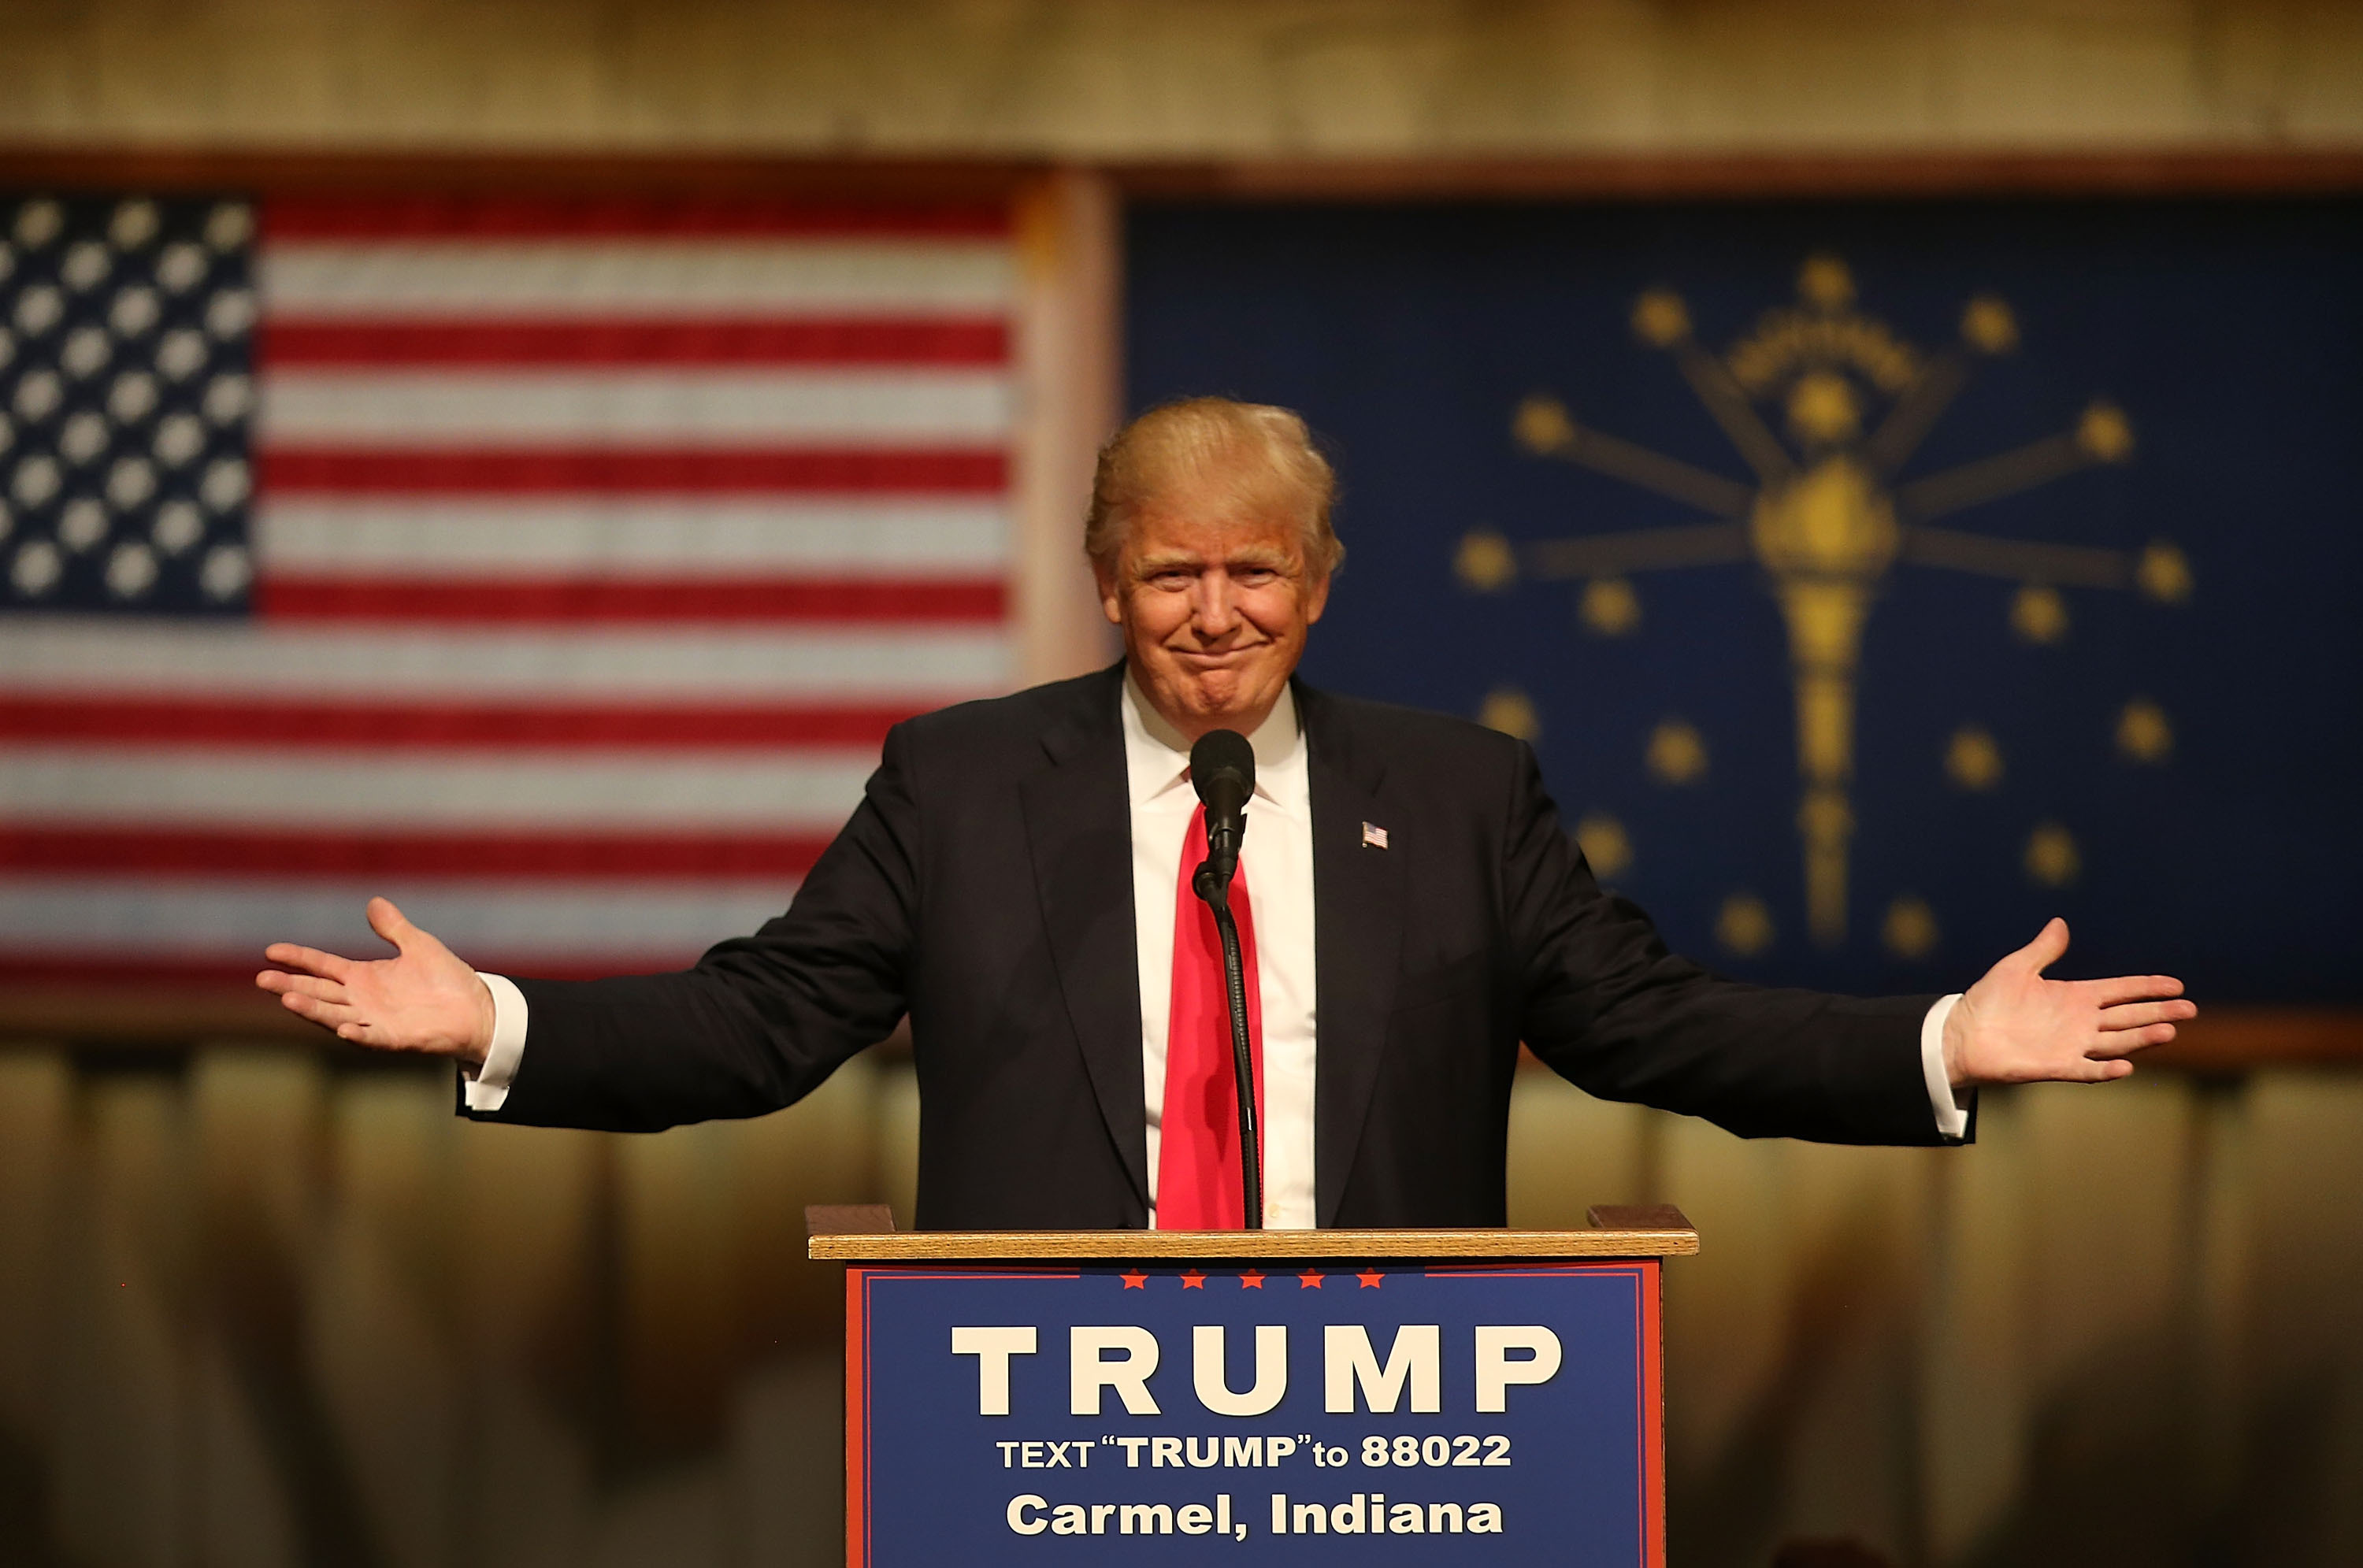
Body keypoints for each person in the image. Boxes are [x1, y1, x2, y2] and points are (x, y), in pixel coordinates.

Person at [256, 398, 2194, 1230]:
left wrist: (1943, 1040)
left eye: (1256, 572)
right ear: (1107, 580)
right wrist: (501, 1017)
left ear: (1321, 583)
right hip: (1049, 1440)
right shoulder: (960, 778)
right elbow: (767, 1023)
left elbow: (1654, 1026)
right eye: (1172, 572)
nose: (1216, 614)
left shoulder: (1458, 794)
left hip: (1389, 1437)